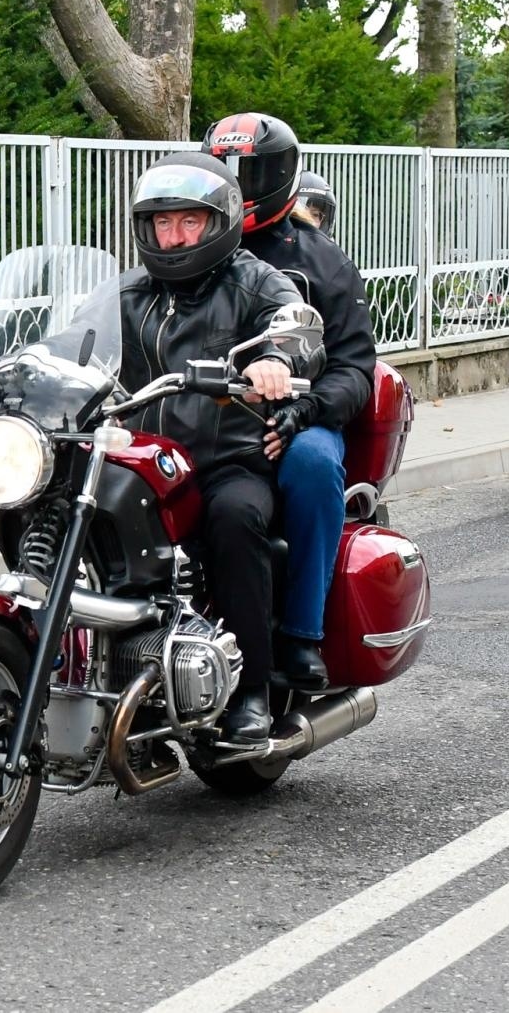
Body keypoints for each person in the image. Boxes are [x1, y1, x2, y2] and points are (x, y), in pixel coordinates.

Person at [120, 150, 307, 743]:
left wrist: (277, 358)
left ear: (218, 222)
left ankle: (251, 689)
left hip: (225, 463)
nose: (174, 238)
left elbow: (297, 323)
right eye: (163, 223)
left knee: (234, 519)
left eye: (189, 222)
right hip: (146, 463)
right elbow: (73, 339)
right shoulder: (127, 293)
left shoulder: (252, 281)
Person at [202, 113, 376, 693]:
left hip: (298, 415)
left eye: (249, 172)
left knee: (311, 465)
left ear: (280, 175)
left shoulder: (322, 261)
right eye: (225, 170)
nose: (236, 183)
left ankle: (302, 633)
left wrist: (306, 412)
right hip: (201, 410)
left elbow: (355, 367)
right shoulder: (191, 246)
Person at [294, 170, 337, 238]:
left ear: (322, 221)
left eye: (315, 214)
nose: (307, 219)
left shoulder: (329, 248)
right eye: (301, 213)